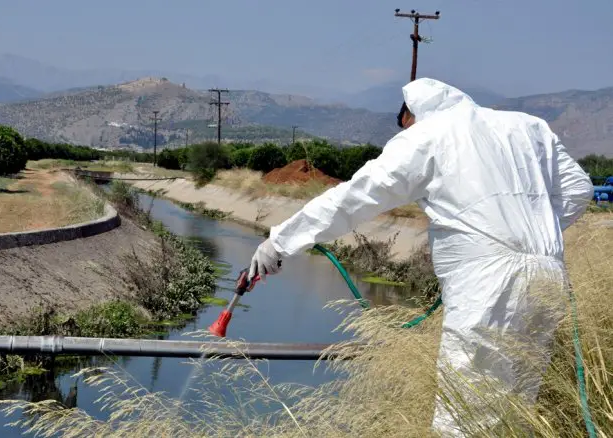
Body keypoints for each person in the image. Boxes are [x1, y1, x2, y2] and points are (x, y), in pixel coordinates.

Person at [248, 78, 594, 436]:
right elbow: (579, 190)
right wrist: (531, 233)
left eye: (405, 124)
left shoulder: (429, 134)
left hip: (488, 282)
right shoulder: (527, 126)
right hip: (548, 274)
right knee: (519, 408)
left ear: (413, 112)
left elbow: (354, 197)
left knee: (464, 414)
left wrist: (280, 242)